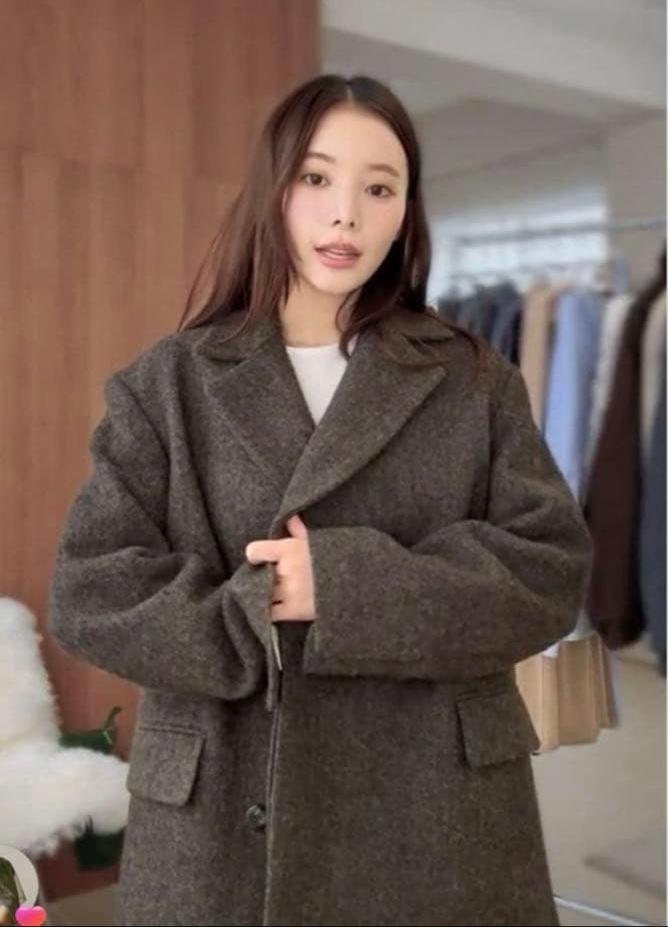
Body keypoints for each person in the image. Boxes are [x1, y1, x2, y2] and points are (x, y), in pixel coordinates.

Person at [47, 74, 592, 927]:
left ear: (405, 213)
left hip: (438, 810)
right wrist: (257, 608)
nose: (347, 216)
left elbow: (547, 571)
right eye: (316, 178)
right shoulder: (169, 383)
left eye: (380, 188)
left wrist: (344, 587)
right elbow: (93, 592)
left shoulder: (472, 378)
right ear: (273, 188)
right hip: (226, 812)